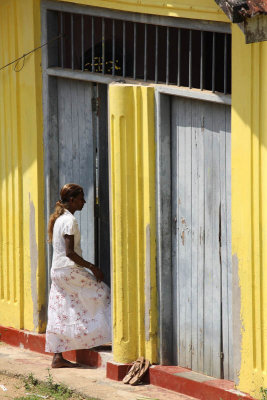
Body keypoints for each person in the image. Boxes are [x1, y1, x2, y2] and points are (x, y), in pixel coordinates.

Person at [45, 183, 111, 368]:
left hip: (57, 271)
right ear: (72, 200)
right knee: (103, 293)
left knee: (61, 309)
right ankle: (97, 337)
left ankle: (57, 357)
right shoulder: (69, 221)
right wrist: (93, 268)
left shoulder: (59, 219)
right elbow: (70, 253)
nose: (84, 201)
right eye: (81, 198)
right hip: (68, 270)